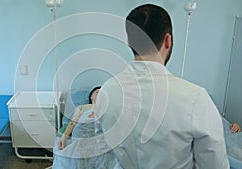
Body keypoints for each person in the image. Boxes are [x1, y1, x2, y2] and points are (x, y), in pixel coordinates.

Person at [94, 4, 229, 169]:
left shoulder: (106, 93)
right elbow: (215, 165)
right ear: (168, 40)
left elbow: (103, 153)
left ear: (129, 42)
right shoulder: (195, 99)